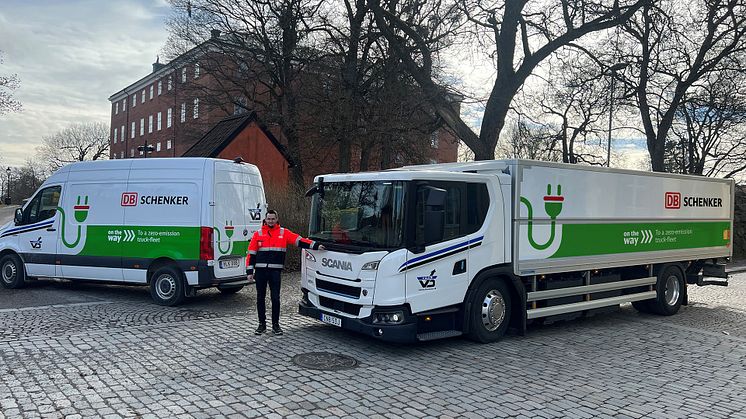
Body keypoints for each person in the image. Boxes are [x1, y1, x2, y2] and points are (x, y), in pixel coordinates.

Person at [246, 210, 324, 335]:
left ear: (277, 219)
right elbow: (251, 254)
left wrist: (316, 246)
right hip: (260, 272)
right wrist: (249, 271)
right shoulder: (258, 234)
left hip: (275, 272)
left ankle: (276, 325)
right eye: (268, 219)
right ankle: (261, 325)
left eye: (273, 218)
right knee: (260, 298)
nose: (270, 221)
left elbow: (300, 241)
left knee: (275, 298)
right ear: (265, 220)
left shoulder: (284, 232)